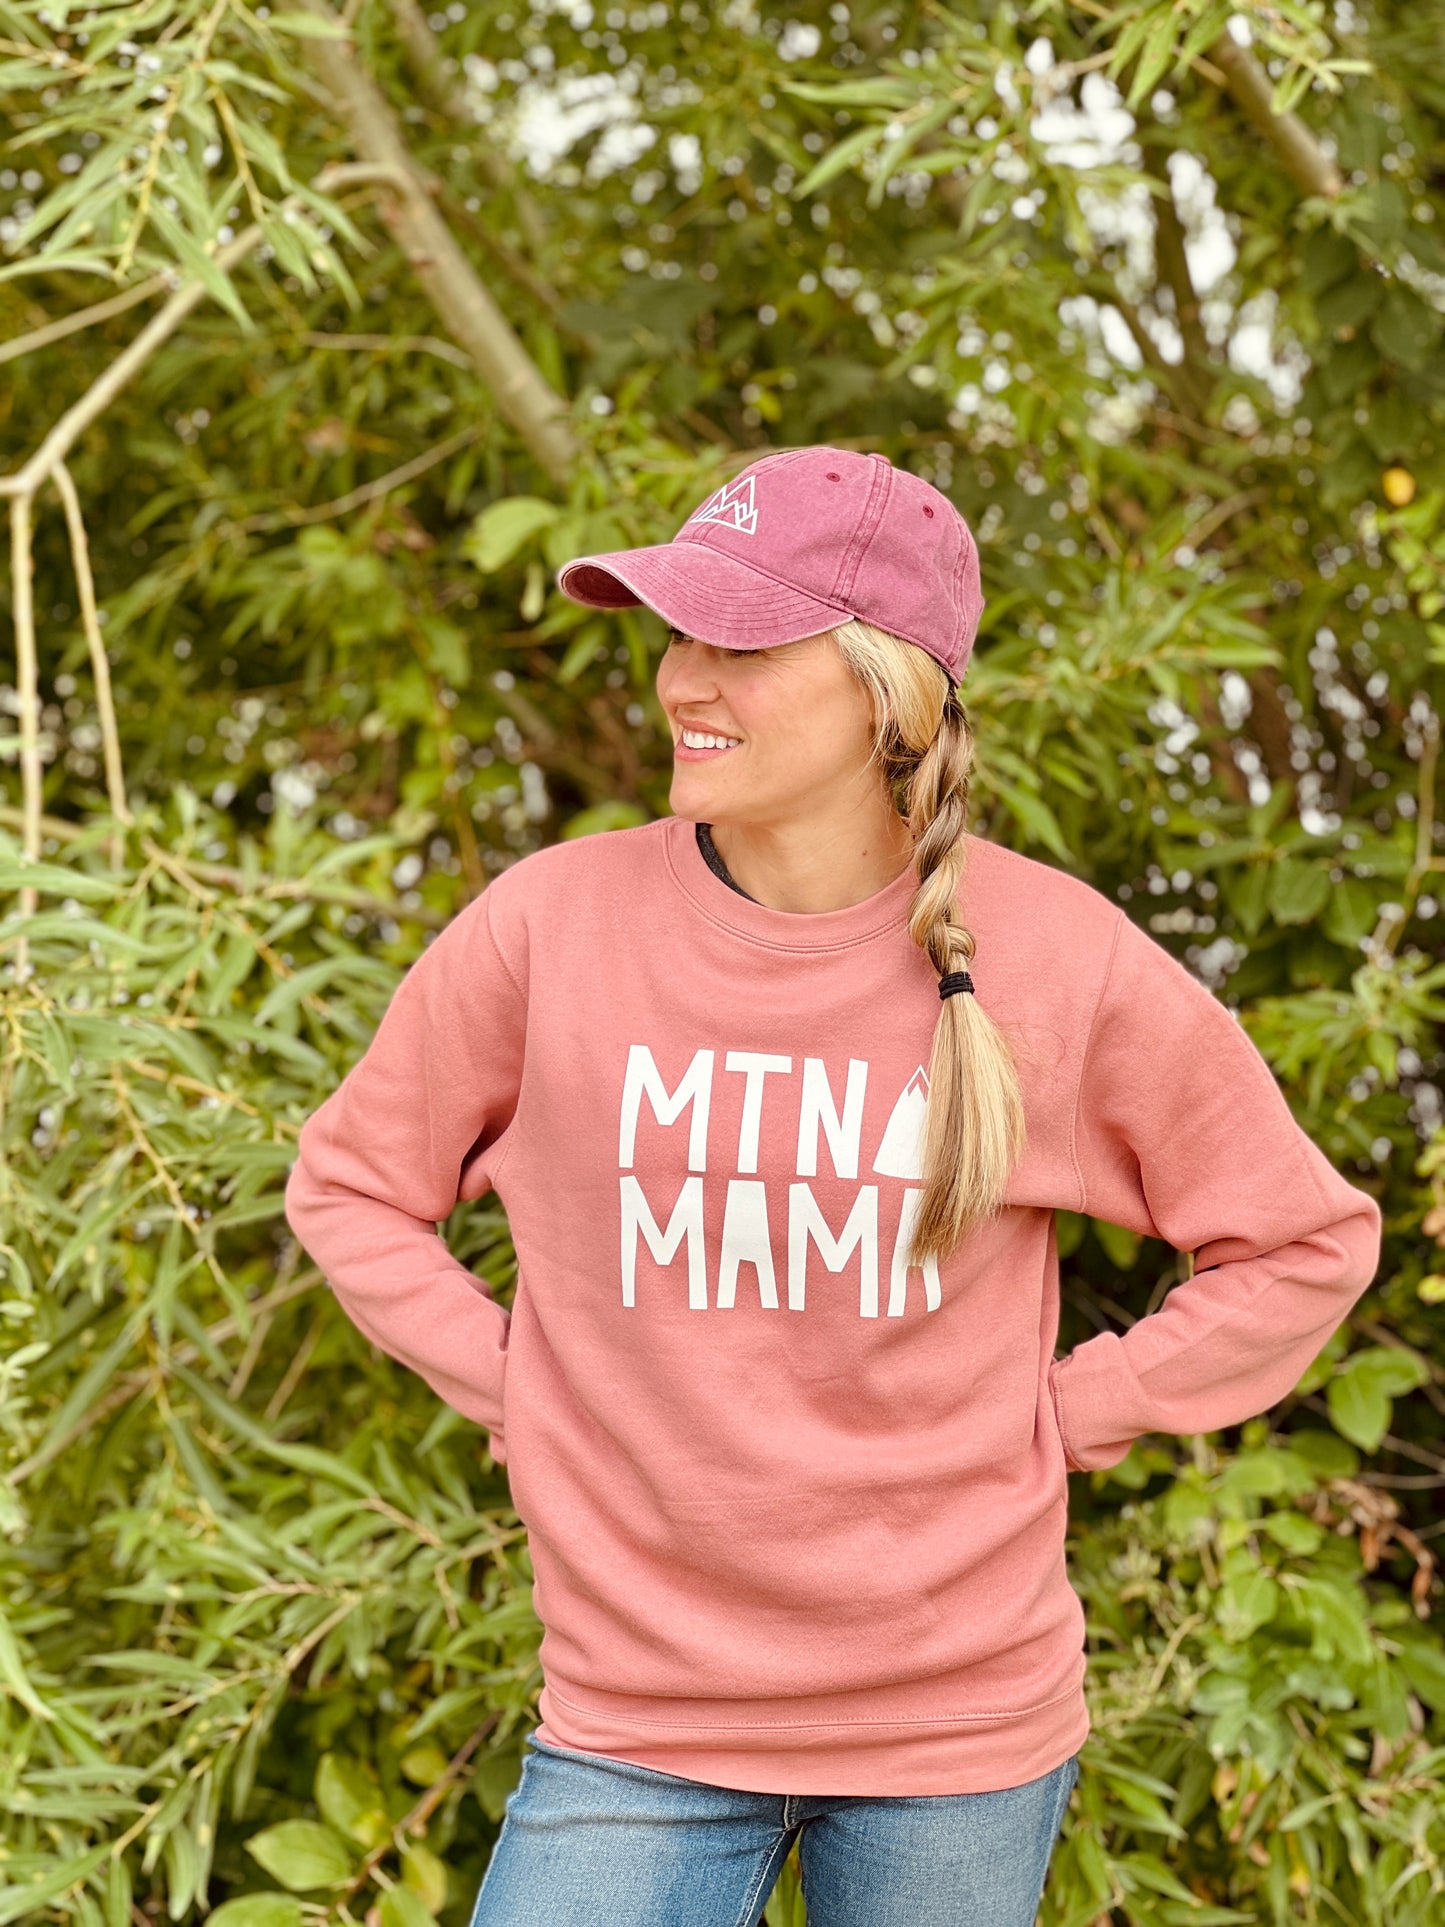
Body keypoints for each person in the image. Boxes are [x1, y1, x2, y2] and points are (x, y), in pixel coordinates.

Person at [283, 445, 1383, 1926]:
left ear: (888, 694)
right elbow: (353, 1185)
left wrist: (1072, 1414)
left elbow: (1302, 1242)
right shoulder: (549, 928)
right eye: (677, 636)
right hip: (635, 1719)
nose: (683, 681)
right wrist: (520, 1380)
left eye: (739, 645)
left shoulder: (1055, 956)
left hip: (958, 1731)